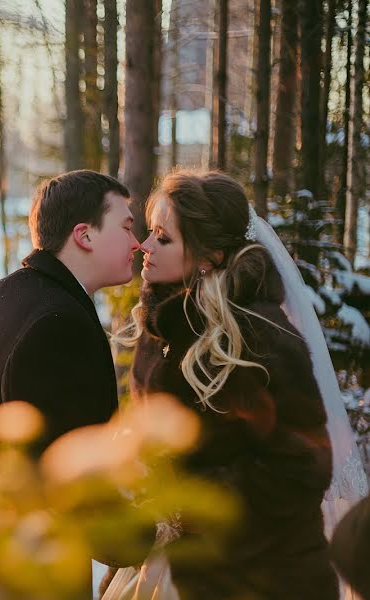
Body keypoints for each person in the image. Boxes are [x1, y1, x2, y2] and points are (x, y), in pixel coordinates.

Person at [104, 170, 368, 600]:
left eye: (163, 239)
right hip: (173, 561)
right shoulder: (162, 329)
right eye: (149, 234)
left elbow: (300, 467)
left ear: (209, 256)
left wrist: (195, 501)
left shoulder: (261, 341)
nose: (145, 248)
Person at [0, 170, 139, 460]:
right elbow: (59, 468)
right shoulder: (59, 324)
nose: (136, 243)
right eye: (126, 228)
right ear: (85, 235)